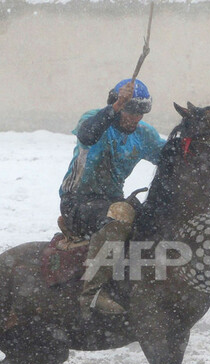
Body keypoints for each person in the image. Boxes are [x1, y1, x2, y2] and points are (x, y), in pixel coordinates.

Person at [59, 78, 167, 315]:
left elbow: (171, 155)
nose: (136, 118)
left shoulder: (144, 134)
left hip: (111, 201)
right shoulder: (94, 119)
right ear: (116, 104)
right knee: (120, 217)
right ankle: (92, 294)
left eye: (141, 113)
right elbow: (87, 136)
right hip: (77, 202)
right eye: (131, 111)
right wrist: (117, 106)